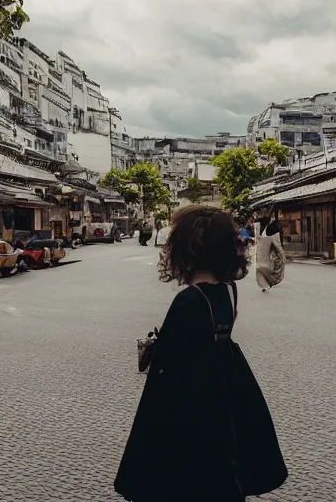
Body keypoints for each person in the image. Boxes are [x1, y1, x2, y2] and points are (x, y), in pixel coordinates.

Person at [115, 205, 287, 502]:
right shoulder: (229, 289)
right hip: (227, 383)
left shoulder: (189, 300)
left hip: (190, 395)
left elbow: (171, 362)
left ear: (185, 252)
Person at [255, 212, 285, 292]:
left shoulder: (267, 227)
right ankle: (267, 283)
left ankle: (267, 283)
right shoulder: (267, 227)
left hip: (269, 249)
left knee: (269, 267)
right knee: (269, 268)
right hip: (269, 250)